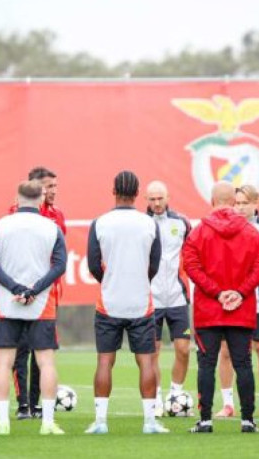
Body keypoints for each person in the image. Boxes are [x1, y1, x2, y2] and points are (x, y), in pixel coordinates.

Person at [183, 181, 259, 434]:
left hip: (208, 309)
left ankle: (206, 420)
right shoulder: (252, 232)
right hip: (241, 309)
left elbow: (191, 266)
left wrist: (216, 292)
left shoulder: (199, 232)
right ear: (234, 201)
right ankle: (248, 420)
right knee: (243, 364)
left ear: (212, 201)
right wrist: (240, 292)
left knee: (206, 365)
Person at [0, 179, 68, 435]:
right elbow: (60, 266)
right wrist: (33, 290)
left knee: (3, 362)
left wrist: (15, 288)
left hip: (6, 303)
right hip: (41, 303)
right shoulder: (51, 227)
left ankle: (2, 423)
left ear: (17, 197)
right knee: (46, 363)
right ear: (41, 198)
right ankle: (47, 423)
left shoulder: (1, 225)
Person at [85, 170, 164, 435]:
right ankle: (150, 423)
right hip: (140, 302)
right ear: (137, 192)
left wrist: (110, 281)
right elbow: (154, 265)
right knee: (147, 362)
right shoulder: (149, 223)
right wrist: (138, 281)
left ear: (114, 191)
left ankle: (100, 422)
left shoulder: (100, 222)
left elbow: (94, 265)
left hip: (109, 302)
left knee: (105, 362)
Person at [220, 185, 259, 418]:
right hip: (230, 301)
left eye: (245, 203)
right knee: (226, 351)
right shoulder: (227, 228)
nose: (241, 207)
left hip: (257, 301)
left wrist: (254, 287)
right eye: (237, 203)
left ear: (256, 203)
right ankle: (227, 404)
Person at [12, 166, 67, 420]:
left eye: (55, 186)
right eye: (48, 186)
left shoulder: (58, 216)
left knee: (41, 351)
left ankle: (36, 405)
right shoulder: (15, 214)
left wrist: (41, 286)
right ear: (35, 188)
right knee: (20, 349)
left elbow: (58, 258)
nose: (53, 191)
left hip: (46, 293)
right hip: (19, 293)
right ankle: (23, 405)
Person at [145, 180, 192, 418]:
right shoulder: (141, 224)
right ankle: (158, 398)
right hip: (150, 298)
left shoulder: (181, 223)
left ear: (168, 197)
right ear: (146, 200)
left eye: (160, 198)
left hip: (177, 297)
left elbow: (193, 254)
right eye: (152, 199)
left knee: (183, 349)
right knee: (152, 352)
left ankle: (176, 395)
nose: (156, 203)